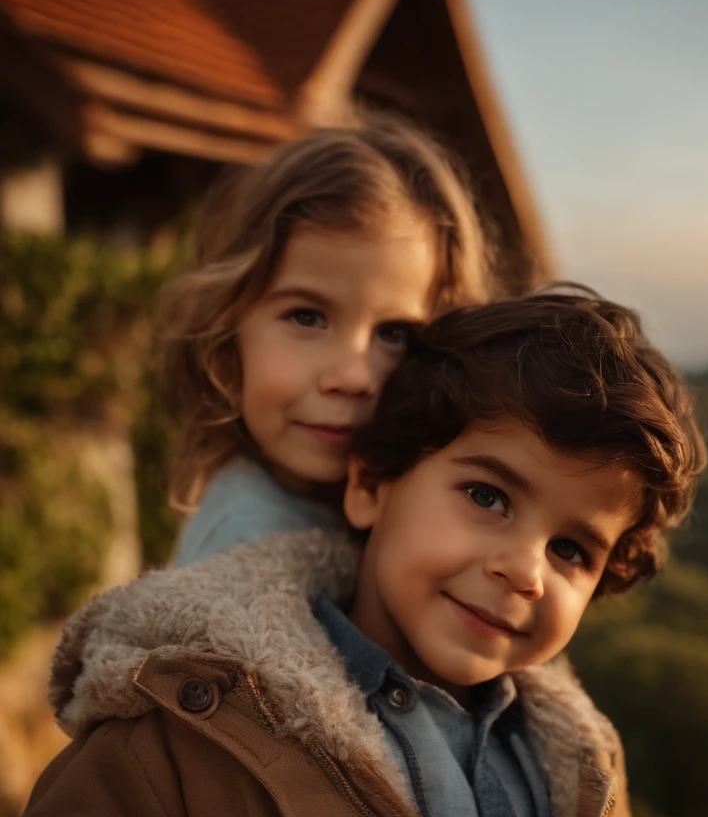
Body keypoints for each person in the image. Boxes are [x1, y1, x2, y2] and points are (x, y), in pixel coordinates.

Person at [0, 288, 706, 817]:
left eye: (572, 550)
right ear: (371, 481)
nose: (526, 571)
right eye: (488, 496)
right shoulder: (174, 743)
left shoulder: (589, 781)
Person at [160, 109, 495, 567]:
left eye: (394, 333)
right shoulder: (241, 546)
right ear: (227, 337)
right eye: (307, 317)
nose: (353, 376)